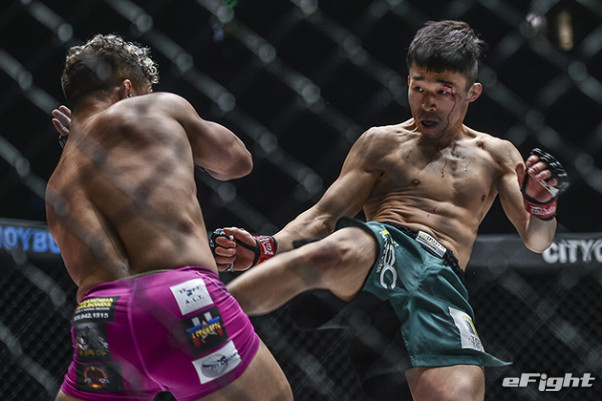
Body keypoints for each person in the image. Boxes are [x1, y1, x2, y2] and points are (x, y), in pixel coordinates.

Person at [211, 20, 569, 401]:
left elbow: (537, 241)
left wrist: (542, 205)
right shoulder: (381, 143)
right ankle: (204, 320)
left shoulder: (496, 154)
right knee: (340, 247)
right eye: (418, 87)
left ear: (472, 92)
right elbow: (322, 216)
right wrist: (266, 247)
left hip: (441, 281)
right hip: (384, 248)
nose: (428, 103)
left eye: (444, 91)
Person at [46, 34, 292, 401]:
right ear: (127, 90)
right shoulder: (156, 108)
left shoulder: (59, 177)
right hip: (180, 298)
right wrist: (174, 126)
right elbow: (237, 162)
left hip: (100, 320)